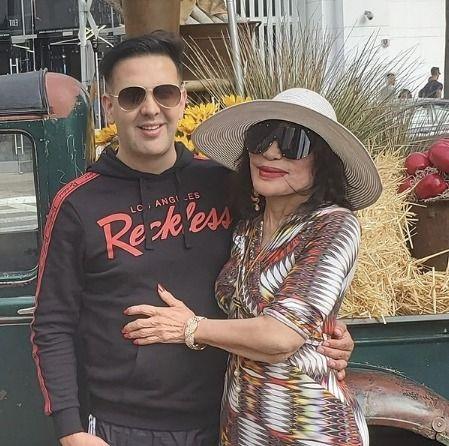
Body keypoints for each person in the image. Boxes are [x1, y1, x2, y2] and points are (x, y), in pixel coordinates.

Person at [31, 32, 356, 446]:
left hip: (224, 420)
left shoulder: (226, 186)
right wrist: (71, 430)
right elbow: (52, 323)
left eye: (164, 93)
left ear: (182, 100)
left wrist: (326, 329)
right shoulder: (78, 204)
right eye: (132, 96)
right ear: (109, 107)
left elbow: (286, 280)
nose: (151, 109)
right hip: (124, 426)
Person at [122, 88, 383, 445]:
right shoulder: (248, 228)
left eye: (293, 143)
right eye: (262, 137)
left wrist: (191, 328)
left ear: (322, 161)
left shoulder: (333, 225)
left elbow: (281, 337)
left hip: (309, 428)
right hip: (244, 425)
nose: (271, 152)